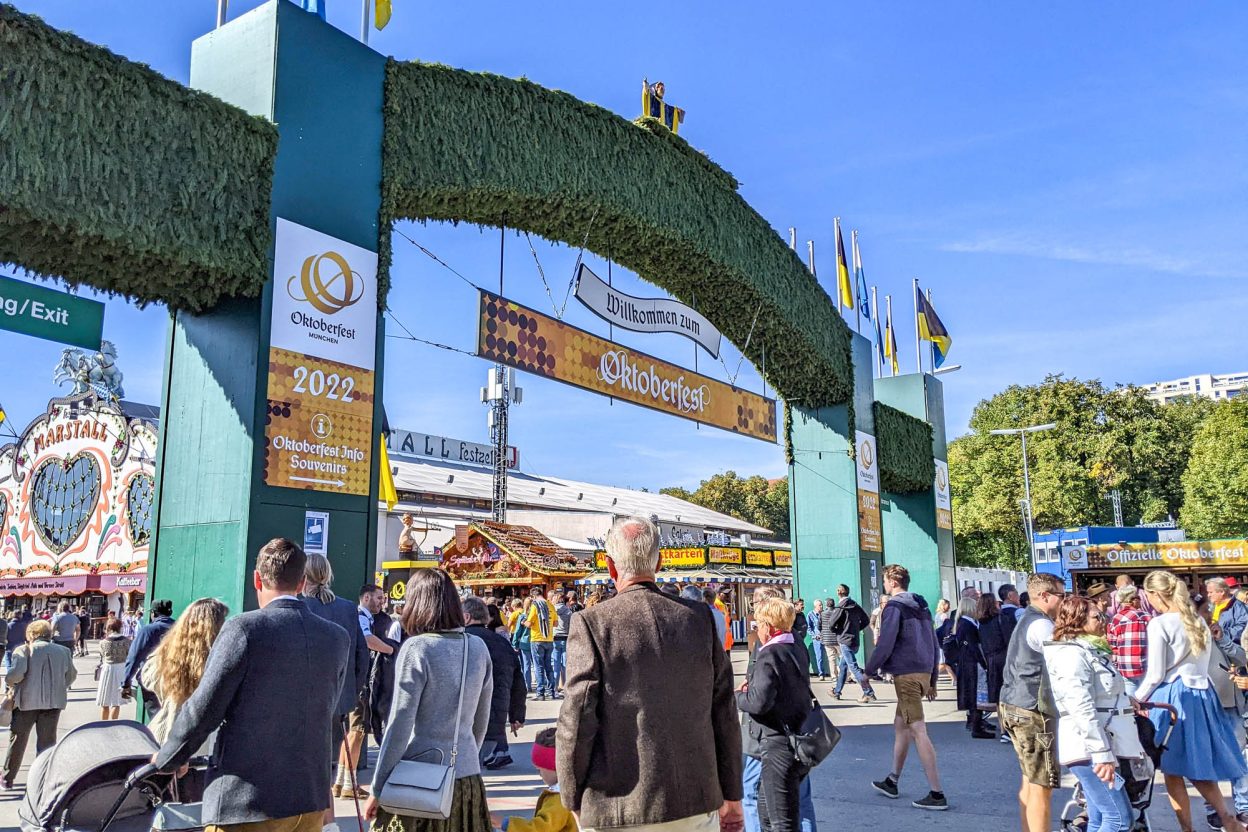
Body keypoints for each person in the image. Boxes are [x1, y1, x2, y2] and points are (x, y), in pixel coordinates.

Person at [558, 516, 743, 832]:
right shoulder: (697, 619)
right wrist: (732, 795)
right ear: (659, 561)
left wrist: (571, 797)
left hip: (619, 805)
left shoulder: (592, 623)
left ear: (610, 566)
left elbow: (577, 720)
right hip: (696, 801)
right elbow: (723, 712)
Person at [152, 538, 350, 831]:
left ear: (257, 579)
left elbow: (204, 709)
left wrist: (169, 758)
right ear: (301, 583)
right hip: (309, 798)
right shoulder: (336, 637)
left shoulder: (243, 629)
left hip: (246, 802)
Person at [363, 568, 494, 832]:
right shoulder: (477, 647)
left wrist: (378, 786)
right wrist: (465, 753)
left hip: (418, 779)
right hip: (466, 777)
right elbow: (481, 720)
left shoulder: (418, 648)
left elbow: (400, 723)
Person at [1137, 570, 1246, 832]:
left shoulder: (1160, 623)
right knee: (1197, 765)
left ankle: (1189, 829)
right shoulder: (1198, 621)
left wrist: (1137, 699)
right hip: (1203, 695)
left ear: (1154, 594)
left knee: (1172, 769)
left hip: (1173, 697)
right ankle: (1227, 818)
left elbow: (1155, 674)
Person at [1042, 596, 1143, 832]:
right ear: (1078, 620)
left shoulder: (1090, 648)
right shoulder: (1071, 654)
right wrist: (1101, 753)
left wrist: (1125, 699)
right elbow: (1080, 706)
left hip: (1100, 744)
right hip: (1088, 749)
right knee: (1119, 819)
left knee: (1099, 819)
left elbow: (1098, 692)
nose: (1104, 621)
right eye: (1097, 617)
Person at [865, 564, 946, 811]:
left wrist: (868, 671)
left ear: (891, 582)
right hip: (922, 671)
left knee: (918, 730)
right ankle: (892, 780)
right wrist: (932, 678)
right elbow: (933, 642)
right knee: (901, 726)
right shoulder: (920, 606)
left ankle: (936, 793)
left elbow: (886, 642)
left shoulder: (894, 607)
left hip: (906, 674)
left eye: (885, 581)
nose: (884, 585)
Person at [300, 554, 369, 827]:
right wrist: (351, 689)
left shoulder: (301, 606)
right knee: (325, 766)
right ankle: (329, 824)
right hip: (338, 697)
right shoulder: (346, 608)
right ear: (328, 575)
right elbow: (362, 655)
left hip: (303, 699)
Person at [736, 597, 810, 832]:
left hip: (778, 741)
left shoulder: (771, 654)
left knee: (781, 821)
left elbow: (759, 702)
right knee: (768, 813)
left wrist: (737, 696)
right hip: (797, 736)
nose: (756, 630)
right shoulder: (795, 645)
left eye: (758, 624)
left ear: (770, 625)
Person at [999, 572, 1065, 832]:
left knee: (1029, 780)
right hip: (1032, 709)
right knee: (1042, 784)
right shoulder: (1041, 625)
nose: (1064, 601)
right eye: (1061, 595)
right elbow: (1062, 664)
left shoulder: (1026, 619)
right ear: (1045, 596)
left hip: (1013, 703)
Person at [141, 598, 230, 743]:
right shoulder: (222, 658)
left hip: (167, 733)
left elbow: (147, 678)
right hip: (207, 739)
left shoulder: (163, 656)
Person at [3, 620, 76, 789]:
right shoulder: (64, 651)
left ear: (31, 634)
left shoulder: (24, 650)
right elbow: (71, 676)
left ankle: (8, 777)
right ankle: (42, 779)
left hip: (26, 703)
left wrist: (8, 680)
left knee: (18, 740)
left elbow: (15, 676)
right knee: (47, 742)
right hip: (53, 703)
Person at [1200, 598, 1248, 829]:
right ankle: (1213, 808)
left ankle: (1244, 808)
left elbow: (1241, 658)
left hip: (1230, 704)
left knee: (1239, 759)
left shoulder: (1218, 634)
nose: (1210, 614)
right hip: (1203, 707)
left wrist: (1223, 639)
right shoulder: (1185, 640)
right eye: (1205, 611)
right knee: (1209, 759)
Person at [464, 595, 526, 770]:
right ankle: (499, 751)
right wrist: (517, 714)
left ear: (467, 617)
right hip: (498, 708)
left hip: (470, 712)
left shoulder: (463, 640)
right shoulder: (502, 643)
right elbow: (518, 680)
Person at [345, 584, 394, 800]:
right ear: (366, 597)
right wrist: (391, 649)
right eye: (378, 598)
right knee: (357, 731)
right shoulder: (361, 616)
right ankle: (349, 782)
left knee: (353, 732)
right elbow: (366, 640)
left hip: (358, 678)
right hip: (360, 681)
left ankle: (342, 781)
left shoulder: (367, 617)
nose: (382, 602)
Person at [502, 728, 576, 832]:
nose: (540, 774)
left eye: (540, 769)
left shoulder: (560, 799)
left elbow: (541, 828)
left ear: (555, 767)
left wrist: (508, 824)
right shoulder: (579, 789)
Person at [121, 598, 176, 714]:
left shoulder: (148, 630)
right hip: (175, 679)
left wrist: (126, 682)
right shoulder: (181, 629)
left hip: (153, 679)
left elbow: (134, 657)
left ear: (153, 613)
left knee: (156, 717)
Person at [950, 596, 992, 739]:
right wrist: (984, 663)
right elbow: (974, 647)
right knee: (975, 694)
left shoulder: (962, 623)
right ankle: (977, 726)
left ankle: (977, 724)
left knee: (973, 694)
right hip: (972, 663)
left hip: (966, 662)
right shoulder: (967, 625)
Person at [826, 585, 876, 703]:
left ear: (838, 593)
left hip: (844, 641)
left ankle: (868, 692)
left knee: (853, 667)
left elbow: (831, 624)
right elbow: (866, 620)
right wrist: (856, 630)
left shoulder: (840, 607)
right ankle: (837, 691)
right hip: (854, 640)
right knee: (843, 666)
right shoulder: (855, 605)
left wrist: (840, 632)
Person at [1106, 584, 1151, 697]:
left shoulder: (1115, 619)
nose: (1140, 601)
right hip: (1147, 665)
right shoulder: (1146, 617)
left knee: (1132, 703)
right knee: (1148, 700)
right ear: (1132, 600)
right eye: (1138, 598)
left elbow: (1113, 645)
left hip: (1125, 668)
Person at [980, 592, 1017, 724]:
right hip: (1004, 658)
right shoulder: (1001, 618)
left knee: (997, 698)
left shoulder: (981, 622)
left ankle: (1003, 728)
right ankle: (1009, 726)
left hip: (990, 660)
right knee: (1008, 694)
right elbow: (1009, 640)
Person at [526, 587, 559, 701]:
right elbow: (555, 623)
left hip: (537, 639)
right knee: (549, 666)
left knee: (538, 667)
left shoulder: (535, 606)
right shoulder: (550, 605)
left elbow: (529, 623)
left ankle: (540, 693)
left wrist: (523, 622)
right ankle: (552, 691)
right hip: (549, 639)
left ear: (534, 596)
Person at [95, 617, 132, 720]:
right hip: (121, 668)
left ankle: (103, 724)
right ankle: (113, 724)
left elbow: (102, 655)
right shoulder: (126, 641)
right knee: (117, 701)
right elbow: (129, 655)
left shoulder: (103, 642)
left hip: (107, 669)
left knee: (105, 701)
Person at [1209, 577, 1248, 646]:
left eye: (1233, 587)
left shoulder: (1239, 606)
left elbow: (1242, 629)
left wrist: (1222, 635)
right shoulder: (1211, 606)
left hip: (1231, 646)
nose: (1232, 590)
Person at [552, 591, 575, 694]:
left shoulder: (552, 610)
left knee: (555, 664)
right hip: (566, 638)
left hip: (555, 637)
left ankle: (555, 687)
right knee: (565, 664)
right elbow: (571, 626)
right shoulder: (569, 611)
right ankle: (566, 687)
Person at [510, 598, 533, 692]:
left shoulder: (522, 616)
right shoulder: (536, 615)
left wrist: (514, 643)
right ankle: (542, 684)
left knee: (526, 665)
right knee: (537, 665)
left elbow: (518, 631)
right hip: (537, 640)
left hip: (525, 642)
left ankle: (528, 685)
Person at [932, 599, 956, 686]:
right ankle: (932, 676)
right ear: (943, 605)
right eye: (948, 605)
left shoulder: (937, 615)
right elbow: (948, 625)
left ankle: (954, 679)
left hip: (939, 639)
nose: (949, 607)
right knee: (944, 662)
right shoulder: (943, 615)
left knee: (945, 662)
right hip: (944, 640)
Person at [806, 600, 827, 680]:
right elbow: (808, 627)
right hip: (817, 639)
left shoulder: (824, 613)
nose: (821, 606)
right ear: (815, 606)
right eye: (820, 605)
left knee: (831, 656)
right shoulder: (811, 615)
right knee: (819, 656)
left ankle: (834, 674)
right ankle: (821, 674)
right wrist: (814, 635)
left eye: (821, 605)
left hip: (826, 638)